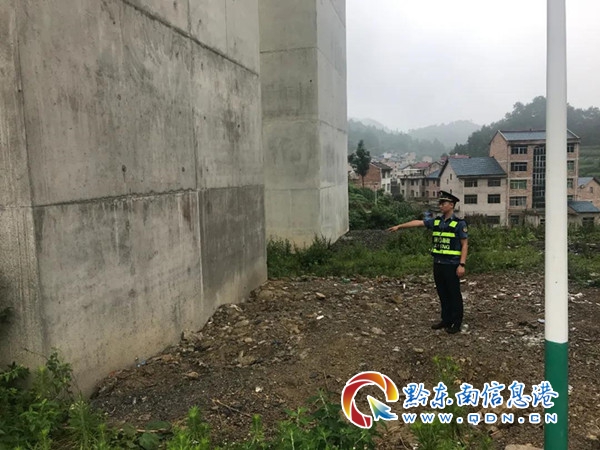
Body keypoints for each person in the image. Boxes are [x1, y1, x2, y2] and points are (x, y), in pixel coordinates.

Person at [387, 191, 468, 334]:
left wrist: (462, 265)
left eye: (443, 203)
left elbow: (464, 244)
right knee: (442, 293)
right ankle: (446, 319)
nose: (440, 206)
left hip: (451, 264)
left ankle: (456, 323)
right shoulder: (437, 221)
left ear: (451, 205)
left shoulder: (459, 223)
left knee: (454, 294)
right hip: (438, 263)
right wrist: (399, 226)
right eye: (440, 203)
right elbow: (419, 222)